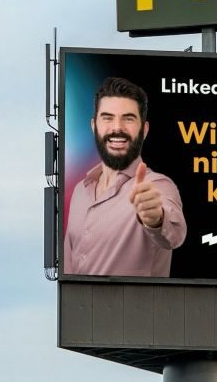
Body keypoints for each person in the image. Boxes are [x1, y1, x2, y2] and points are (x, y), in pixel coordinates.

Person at [63, 76, 186, 276]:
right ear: (94, 126)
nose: (117, 127)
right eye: (108, 118)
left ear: (144, 130)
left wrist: (155, 219)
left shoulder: (157, 185)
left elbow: (174, 235)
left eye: (128, 118)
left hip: (136, 308)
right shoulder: (80, 191)